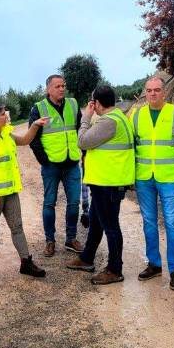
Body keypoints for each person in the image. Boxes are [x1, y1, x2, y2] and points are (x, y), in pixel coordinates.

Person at [0, 102, 49, 283]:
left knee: (17, 227)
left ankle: (26, 262)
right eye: (2, 115)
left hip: (10, 191)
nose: (6, 117)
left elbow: (25, 140)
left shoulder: (6, 132)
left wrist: (35, 125)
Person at [66, 85, 135, 285]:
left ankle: (115, 269)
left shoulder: (109, 121)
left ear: (96, 103)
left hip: (109, 183)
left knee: (111, 227)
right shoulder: (119, 117)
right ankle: (87, 258)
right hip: (104, 182)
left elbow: (82, 141)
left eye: (92, 102)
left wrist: (85, 118)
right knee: (96, 223)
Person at [130, 76, 174, 291]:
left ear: (164, 92)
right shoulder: (136, 115)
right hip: (144, 177)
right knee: (149, 222)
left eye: (157, 90)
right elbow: (132, 147)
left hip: (169, 177)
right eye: (149, 90)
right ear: (145, 93)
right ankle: (154, 264)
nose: (153, 94)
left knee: (172, 222)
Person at [28, 75, 84, 257]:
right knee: (49, 203)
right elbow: (33, 138)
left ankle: (71, 239)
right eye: (57, 86)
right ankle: (50, 241)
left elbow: (80, 130)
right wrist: (44, 160)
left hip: (72, 163)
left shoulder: (73, 104)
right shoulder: (39, 108)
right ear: (48, 89)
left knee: (74, 203)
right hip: (51, 165)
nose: (61, 89)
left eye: (63, 85)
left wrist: (82, 153)